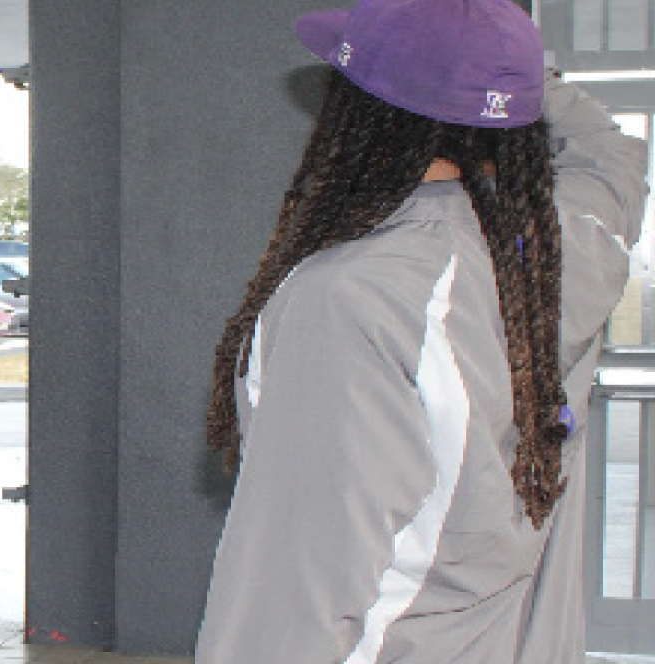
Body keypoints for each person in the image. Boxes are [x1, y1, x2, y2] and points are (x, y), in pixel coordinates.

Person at [196, 0, 648, 662]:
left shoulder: (354, 296)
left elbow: (296, 590)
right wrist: (503, 71)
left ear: (360, 119)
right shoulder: (575, 246)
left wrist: (495, 70)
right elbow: (609, 150)